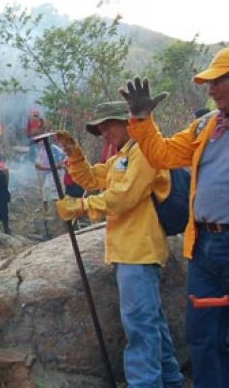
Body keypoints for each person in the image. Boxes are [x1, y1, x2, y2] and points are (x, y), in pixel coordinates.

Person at [53, 100, 184, 388]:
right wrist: (74, 154)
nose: (103, 133)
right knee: (152, 323)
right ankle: (172, 380)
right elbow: (93, 177)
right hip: (128, 251)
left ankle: (145, 383)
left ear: (126, 122)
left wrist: (80, 207)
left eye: (107, 125)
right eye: (99, 129)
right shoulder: (123, 156)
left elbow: (122, 197)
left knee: (139, 327)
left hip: (139, 250)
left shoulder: (144, 154)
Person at [119, 47, 229, 388]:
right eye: (208, 83)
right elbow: (162, 154)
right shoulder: (204, 126)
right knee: (202, 334)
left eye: (217, 81)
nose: (209, 90)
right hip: (203, 245)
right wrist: (141, 119)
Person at [34, 142, 66, 212]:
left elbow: (60, 164)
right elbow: (39, 161)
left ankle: (59, 209)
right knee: (45, 190)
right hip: (48, 173)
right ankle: (45, 208)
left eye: (42, 141)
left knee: (55, 192)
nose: (40, 143)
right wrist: (38, 165)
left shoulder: (54, 149)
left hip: (56, 173)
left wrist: (43, 168)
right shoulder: (42, 149)